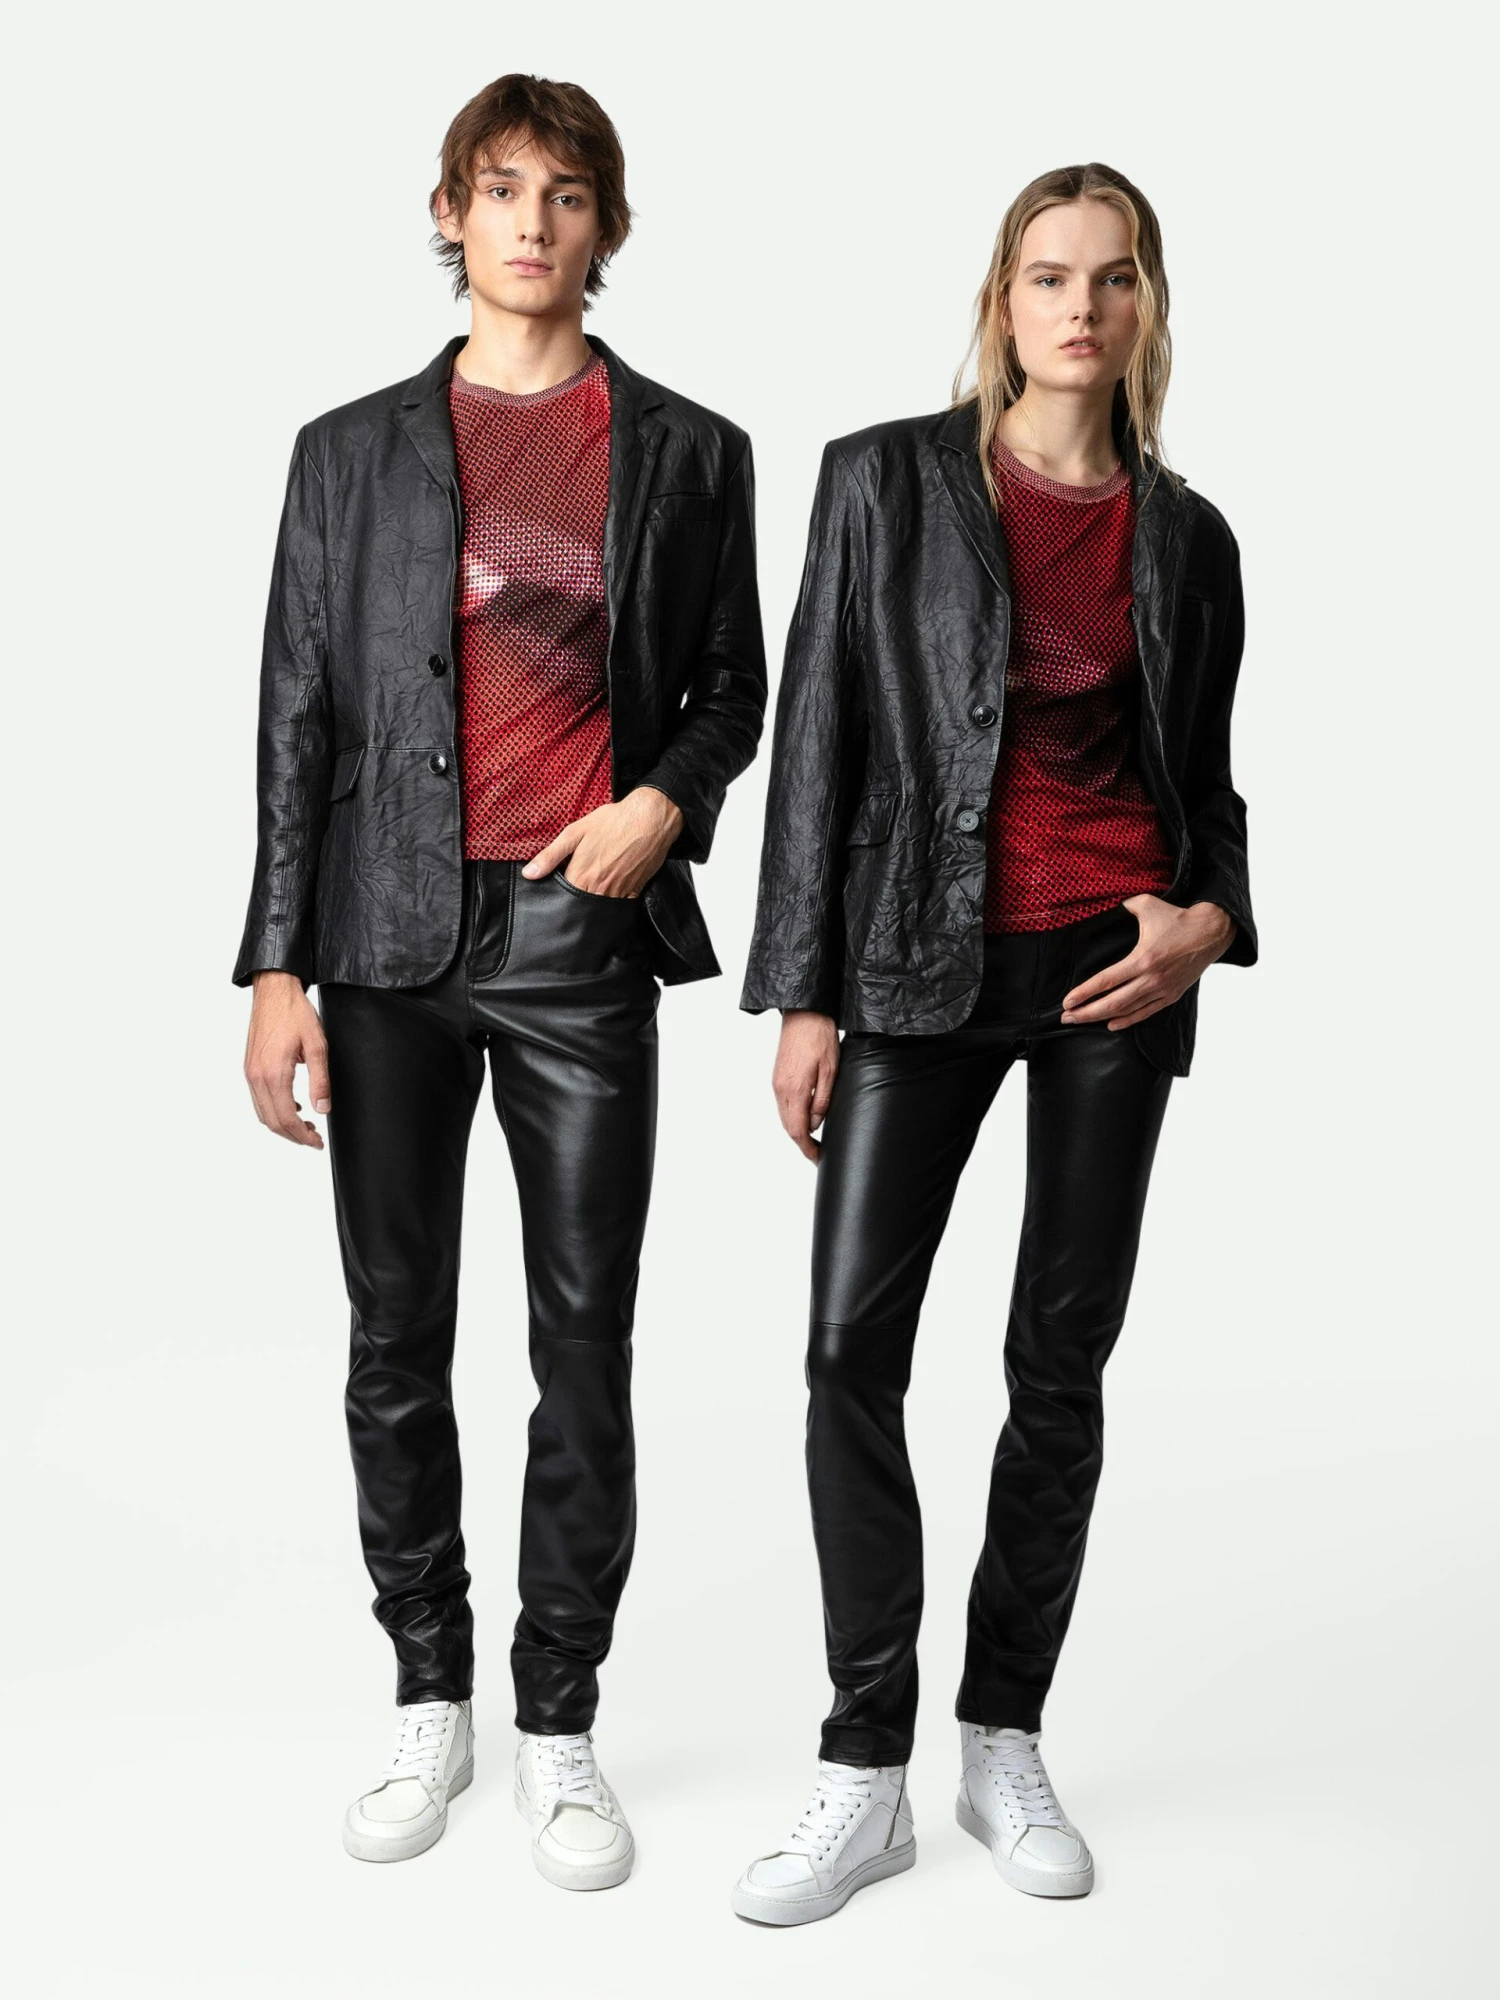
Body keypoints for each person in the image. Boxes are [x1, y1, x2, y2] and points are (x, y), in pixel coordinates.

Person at [234, 72, 766, 1883]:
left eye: (568, 193)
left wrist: (662, 808)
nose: (533, 221)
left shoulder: (689, 449)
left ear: (606, 227)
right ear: (450, 210)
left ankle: (559, 1714)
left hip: (578, 937)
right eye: (503, 186)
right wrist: (277, 965)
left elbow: (731, 682)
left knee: (582, 1338)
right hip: (384, 935)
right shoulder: (347, 452)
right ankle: (429, 1689)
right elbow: (297, 714)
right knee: (394, 1336)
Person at [734, 162, 1255, 1924]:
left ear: (1147, 305)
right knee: (847, 1354)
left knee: (1059, 1362)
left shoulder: (1191, 540)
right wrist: (804, 992)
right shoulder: (883, 481)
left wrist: (1208, 919)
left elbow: (1209, 789)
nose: (1079, 308)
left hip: (1116, 971)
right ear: (1000, 300)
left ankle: (1002, 1733)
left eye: (1113, 278)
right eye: (1049, 276)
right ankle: (863, 1766)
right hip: (911, 957)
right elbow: (817, 739)